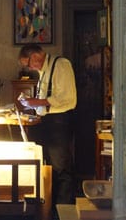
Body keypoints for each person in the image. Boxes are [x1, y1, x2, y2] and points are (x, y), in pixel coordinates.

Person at [17, 44, 77, 205]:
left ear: (36, 56)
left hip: (60, 122)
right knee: (49, 168)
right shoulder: (43, 71)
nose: (29, 68)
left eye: (28, 64)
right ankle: (49, 208)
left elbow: (66, 98)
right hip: (47, 122)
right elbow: (45, 99)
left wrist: (34, 102)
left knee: (61, 168)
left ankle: (63, 211)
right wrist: (32, 104)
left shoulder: (61, 65)